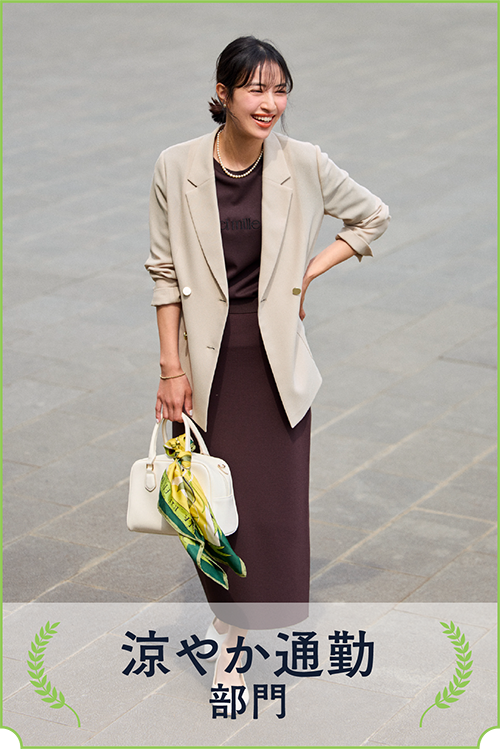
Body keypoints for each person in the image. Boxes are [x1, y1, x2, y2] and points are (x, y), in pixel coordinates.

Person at [145, 36, 390, 697]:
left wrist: (309, 271)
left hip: (274, 364)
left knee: (271, 511)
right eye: (256, 89)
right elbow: (164, 272)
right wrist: (170, 369)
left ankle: (232, 638)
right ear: (222, 93)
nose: (270, 103)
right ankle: (230, 624)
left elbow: (372, 216)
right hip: (208, 364)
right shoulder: (176, 165)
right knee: (210, 507)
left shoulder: (302, 161)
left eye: (281, 90)